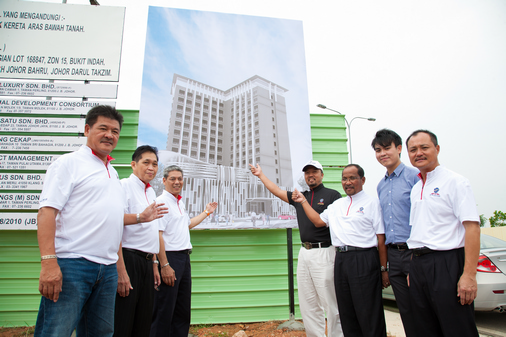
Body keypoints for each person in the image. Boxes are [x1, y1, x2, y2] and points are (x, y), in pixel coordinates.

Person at [35, 105, 165, 337]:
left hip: (106, 270)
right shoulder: (68, 164)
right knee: (56, 332)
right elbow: (46, 213)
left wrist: (117, 267)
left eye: (115, 131)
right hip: (73, 264)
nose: (110, 135)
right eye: (103, 128)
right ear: (87, 129)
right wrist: (48, 262)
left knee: (102, 333)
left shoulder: (112, 173)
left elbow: (112, 223)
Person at [249, 160, 343, 337]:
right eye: (307, 172)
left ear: (322, 174)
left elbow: (321, 222)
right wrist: (260, 175)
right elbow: (277, 191)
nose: (310, 175)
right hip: (304, 253)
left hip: (324, 253)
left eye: (314, 171)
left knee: (331, 303)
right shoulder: (300, 196)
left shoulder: (333, 196)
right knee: (308, 303)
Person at [292, 164, 387, 337]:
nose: (348, 182)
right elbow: (318, 221)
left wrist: (383, 269)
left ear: (362, 180)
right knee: (346, 310)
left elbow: (381, 239)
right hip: (341, 259)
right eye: (344, 178)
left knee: (368, 310)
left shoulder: (372, 203)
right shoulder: (338, 205)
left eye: (352, 178)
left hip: (364, 258)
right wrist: (303, 201)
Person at [405, 130, 480, 337]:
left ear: (437, 149)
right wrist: (414, 267)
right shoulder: (416, 188)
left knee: (456, 328)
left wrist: (469, 275)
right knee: (425, 328)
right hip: (419, 266)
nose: (418, 153)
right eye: (413, 150)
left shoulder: (455, 182)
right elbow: (420, 230)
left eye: (424, 147)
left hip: (447, 264)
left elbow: (472, 228)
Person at [150, 165, 218, 337]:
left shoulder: (178, 201)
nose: (177, 182)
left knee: (182, 310)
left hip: (184, 259)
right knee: (164, 310)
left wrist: (206, 212)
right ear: (164, 181)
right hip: (169, 259)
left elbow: (187, 225)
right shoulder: (161, 202)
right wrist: (164, 264)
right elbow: (157, 235)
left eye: (179, 178)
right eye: (172, 178)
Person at [371, 129, 419, 337]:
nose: (382, 153)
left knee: (423, 307)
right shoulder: (381, 185)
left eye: (387, 148)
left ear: (399, 149)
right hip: (394, 255)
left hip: (415, 253)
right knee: (406, 310)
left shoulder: (414, 177)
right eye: (378, 150)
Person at [114, 145, 162, 337]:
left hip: (147, 263)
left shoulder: (151, 192)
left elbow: (151, 232)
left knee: (143, 322)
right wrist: (121, 271)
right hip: (128, 260)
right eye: (146, 163)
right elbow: (113, 222)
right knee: (123, 321)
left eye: (155, 164)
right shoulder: (123, 186)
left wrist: (155, 264)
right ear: (133, 164)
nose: (151, 168)